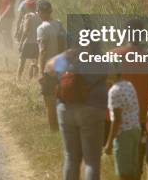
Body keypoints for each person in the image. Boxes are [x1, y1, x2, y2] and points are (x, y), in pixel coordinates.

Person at [45, 46, 108, 180]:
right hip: (92, 109)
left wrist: (65, 53)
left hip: (65, 109)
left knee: (71, 158)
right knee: (91, 162)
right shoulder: (101, 60)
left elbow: (48, 67)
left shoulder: (68, 58)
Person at [112, 18, 148, 178]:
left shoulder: (114, 55)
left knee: (123, 166)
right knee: (137, 162)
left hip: (119, 118)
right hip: (141, 118)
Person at [104, 73, 142, 180]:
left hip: (123, 133)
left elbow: (117, 119)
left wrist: (109, 143)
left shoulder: (114, 91)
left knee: (124, 174)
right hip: (135, 128)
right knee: (133, 171)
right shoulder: (129, 85)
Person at [37, 0, 67, 131]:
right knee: (60, 99)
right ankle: (62, 127)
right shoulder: (59, 24)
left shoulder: (42, 28)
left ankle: (53, 130)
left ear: (39, 12)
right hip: (61, 66)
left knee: (49, 102)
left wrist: (40, 72)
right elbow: (64, 44)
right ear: (50, 11)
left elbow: (42, 50)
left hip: (49, 69)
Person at [16, 0, 39, 81]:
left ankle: (18, 78)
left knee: (22, 60)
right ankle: (33, 79)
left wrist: (21, 42)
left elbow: (26, 30)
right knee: (34, 61)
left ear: (27, 7)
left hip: (28, 42)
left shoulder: (28, 16)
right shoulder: (39, 15)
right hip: (37, 42)